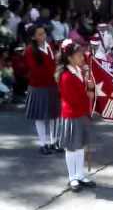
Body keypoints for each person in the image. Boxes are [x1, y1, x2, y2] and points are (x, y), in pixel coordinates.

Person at [57, 39, 96, 192]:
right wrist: (89, 93)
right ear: (70, 57)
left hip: (81, 113)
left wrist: (88, 84)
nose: (82, 57)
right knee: (72, 148)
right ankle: (72, 177)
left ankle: (80, 174)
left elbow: (88, 58)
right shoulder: (66, 76)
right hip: (72, 115)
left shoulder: (78, 70)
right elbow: (73, 98)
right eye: (79, 55)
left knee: (80, 147)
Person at [24, 24, 61, 155]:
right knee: (40, 117)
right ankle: (43, 143)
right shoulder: (30, 50)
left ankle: (54, 141)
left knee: (54, 115)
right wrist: (54, 72)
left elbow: (53, 63)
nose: (43, 36)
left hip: (52, 85)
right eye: (39, 34)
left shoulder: (49, 46)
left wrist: (57, 69)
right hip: (38, 86)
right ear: (33, 37)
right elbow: (35, 70)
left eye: (44, 33)